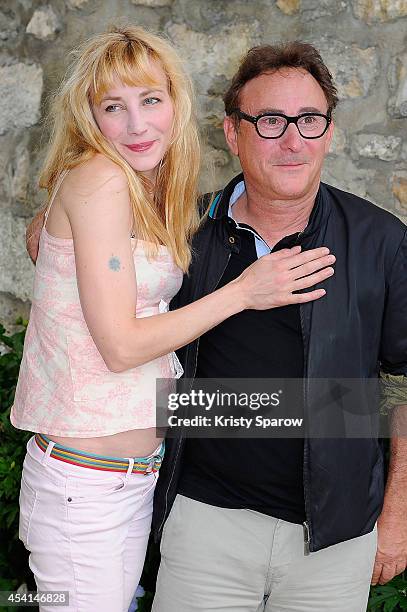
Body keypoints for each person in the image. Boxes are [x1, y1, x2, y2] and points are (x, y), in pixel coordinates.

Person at [16, 28, 335, 612]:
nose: (137, 125)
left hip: (127, 477)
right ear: (90, 118)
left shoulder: (147, 185)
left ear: (175, 103)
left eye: (150, 101)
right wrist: (245, 291)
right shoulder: (104, 179)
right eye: (114, 107)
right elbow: (120, 345)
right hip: (85, 487)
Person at [151, 42, 407, 611]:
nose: (293, 140)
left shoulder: (380, 241)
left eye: (309, 120)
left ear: (330, 132)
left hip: (334, 539)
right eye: (270, 121)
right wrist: (50, 221)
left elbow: (403, 381)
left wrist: (396, 517)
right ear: (232, 133)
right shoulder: (182, 233)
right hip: (204, 525)